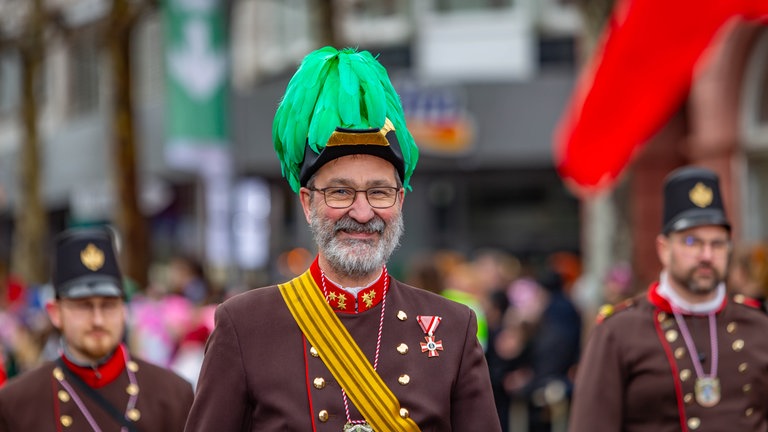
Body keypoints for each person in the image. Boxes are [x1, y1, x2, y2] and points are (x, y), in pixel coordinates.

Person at [184, 46, 501, 432]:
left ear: (399, 201)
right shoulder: (244, 325)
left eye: (379, 192)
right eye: (340, 192)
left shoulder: (454, 327)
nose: (363, 213)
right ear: (307, 202)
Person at [568, 166, 768, 431]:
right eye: (691, 242)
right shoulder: (619, 332)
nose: (706, 255)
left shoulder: (758, 325)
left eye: (717, 243)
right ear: (664, 248)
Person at [0, 227, 194, 431]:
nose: (98, 320)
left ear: (123, 309)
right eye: (83, 305)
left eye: (109, 305)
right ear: (55, 313)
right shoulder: (17, 403)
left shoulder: (173, 395)